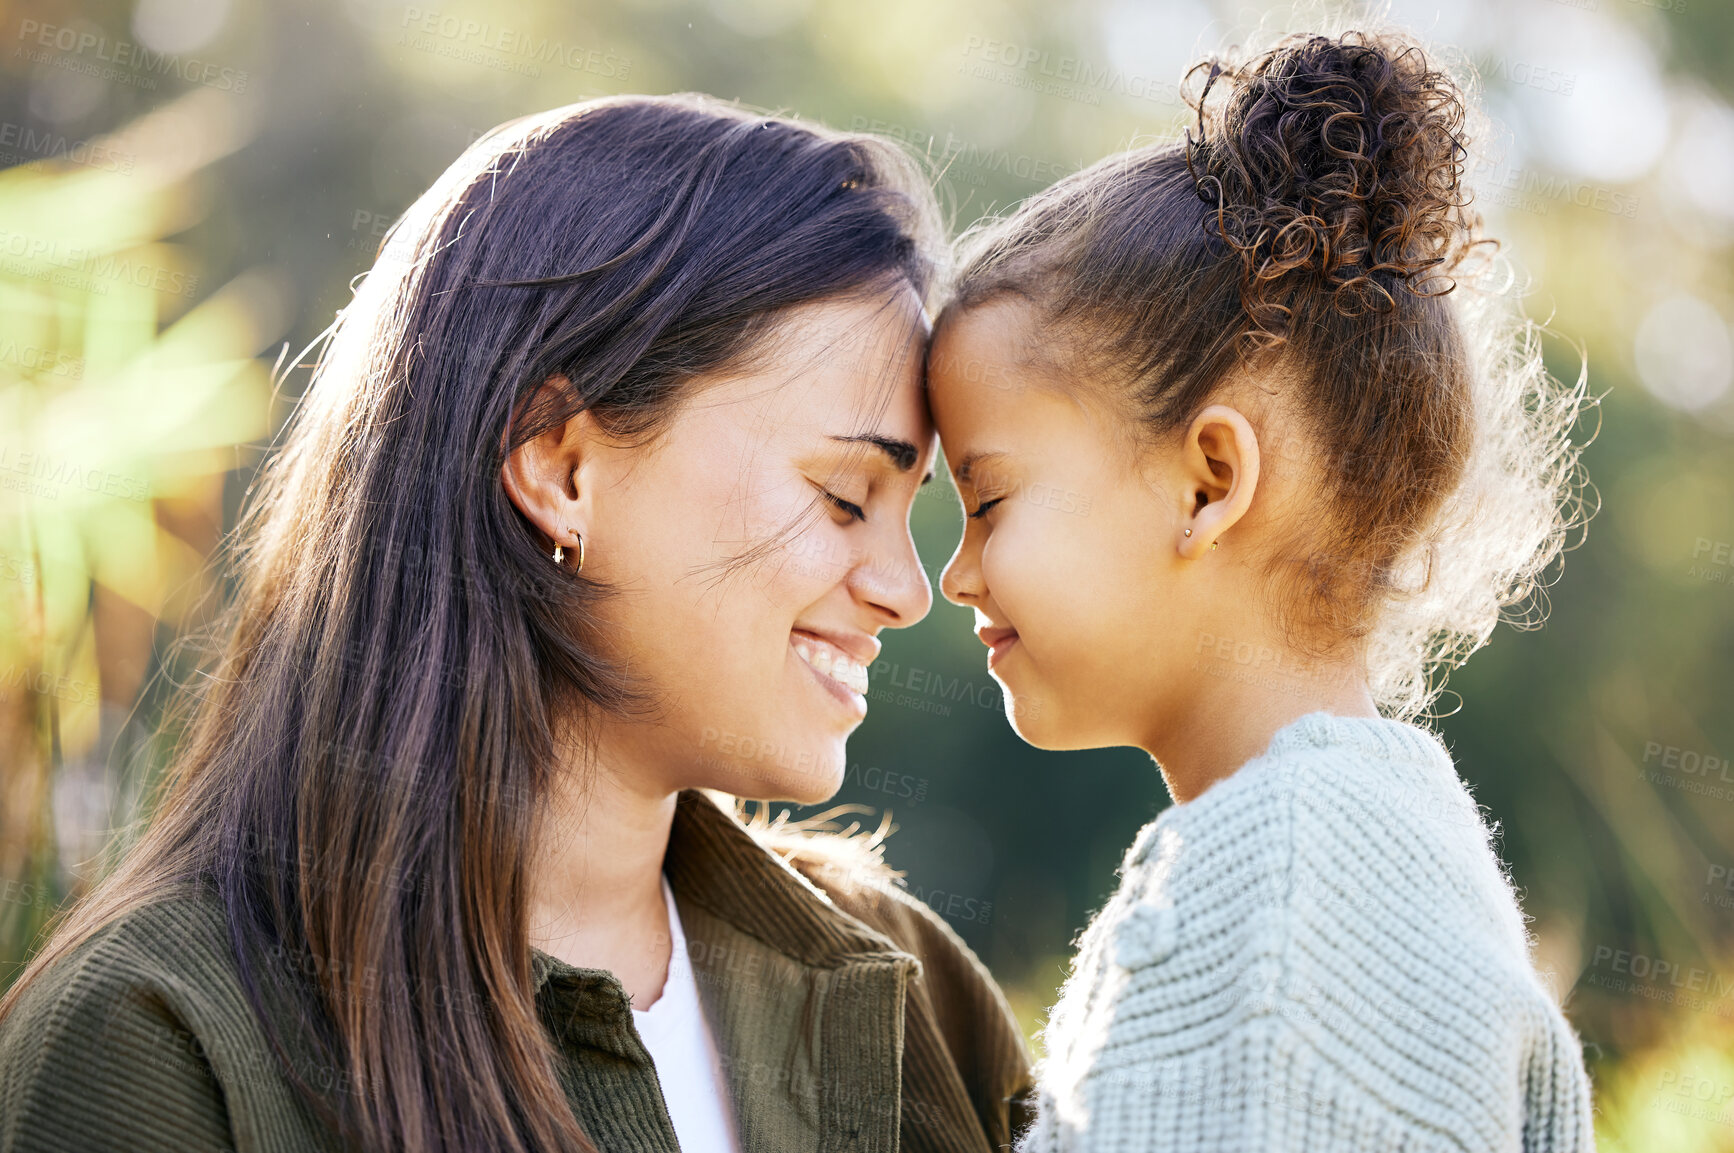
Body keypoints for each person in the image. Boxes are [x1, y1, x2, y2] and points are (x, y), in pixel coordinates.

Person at [0, 94, 1033, 1153]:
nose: (908, 589)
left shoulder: (911, 989)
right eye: (847, 495)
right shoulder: (157, 1039)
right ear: (560, 463)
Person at [926, 29, 1597, 1151]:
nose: (953, 573)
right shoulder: (1390, 850)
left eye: (988, 500)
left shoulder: (1279, 905)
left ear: (1211, 482)